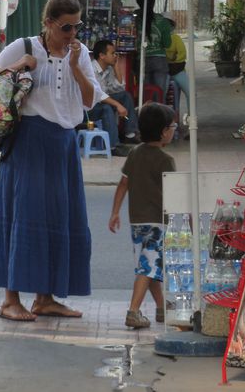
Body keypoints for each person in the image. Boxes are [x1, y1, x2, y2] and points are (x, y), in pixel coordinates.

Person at [0, 0, 105, 322]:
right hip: (28, 141)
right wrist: (20, 65)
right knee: (23, 216)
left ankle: (45, 298)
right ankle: (11, 300)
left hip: (63, 142)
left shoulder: (79, 54)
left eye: (77, 26)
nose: (72, 34)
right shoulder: (26, 47)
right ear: (49, 23)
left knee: (59, 218)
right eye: (66, 27)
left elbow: (91, 99)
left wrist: (77, 64)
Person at [108, 102, 176, 328]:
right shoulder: (166, 160)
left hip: (137, 222)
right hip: (158, 222)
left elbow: (122, 184)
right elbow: (176, 194)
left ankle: (161, 308)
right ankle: (133, 311)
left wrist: (115, 212)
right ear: (164, 131)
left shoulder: (134, 153)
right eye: (173, 126)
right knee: (148, 268)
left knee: (151, 265)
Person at [87, 39, 140, 156]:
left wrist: (116, 66)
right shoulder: (91, 70)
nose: (115, 56)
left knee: (125, 96)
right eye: (112, 53)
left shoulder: (108, 69)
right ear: (102, 56)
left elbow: (119, 88)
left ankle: (129, 134)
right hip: (88, 108)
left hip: (101, 101)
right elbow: (98, 95)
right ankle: (113, 146)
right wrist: (117, 105)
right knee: (107, 108)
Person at [134, 0, 171, 99]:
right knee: (159, 94)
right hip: (159, 61)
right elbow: (167, 43)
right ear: (154, 2)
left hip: (141, 60)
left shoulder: (133, 19)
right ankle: (160, 115)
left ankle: (146, 114)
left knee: (145, 95)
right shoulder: (163, 21)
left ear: (138, 3)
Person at [162, 12, 190, 134]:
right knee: (162, 92)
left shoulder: (176, 38)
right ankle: (164, 120)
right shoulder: (156, 39)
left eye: (168, 24)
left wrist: (172, 62)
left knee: (191, 92)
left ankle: (191, 119)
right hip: (163, 71)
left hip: (177, 71)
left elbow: (182, 55)